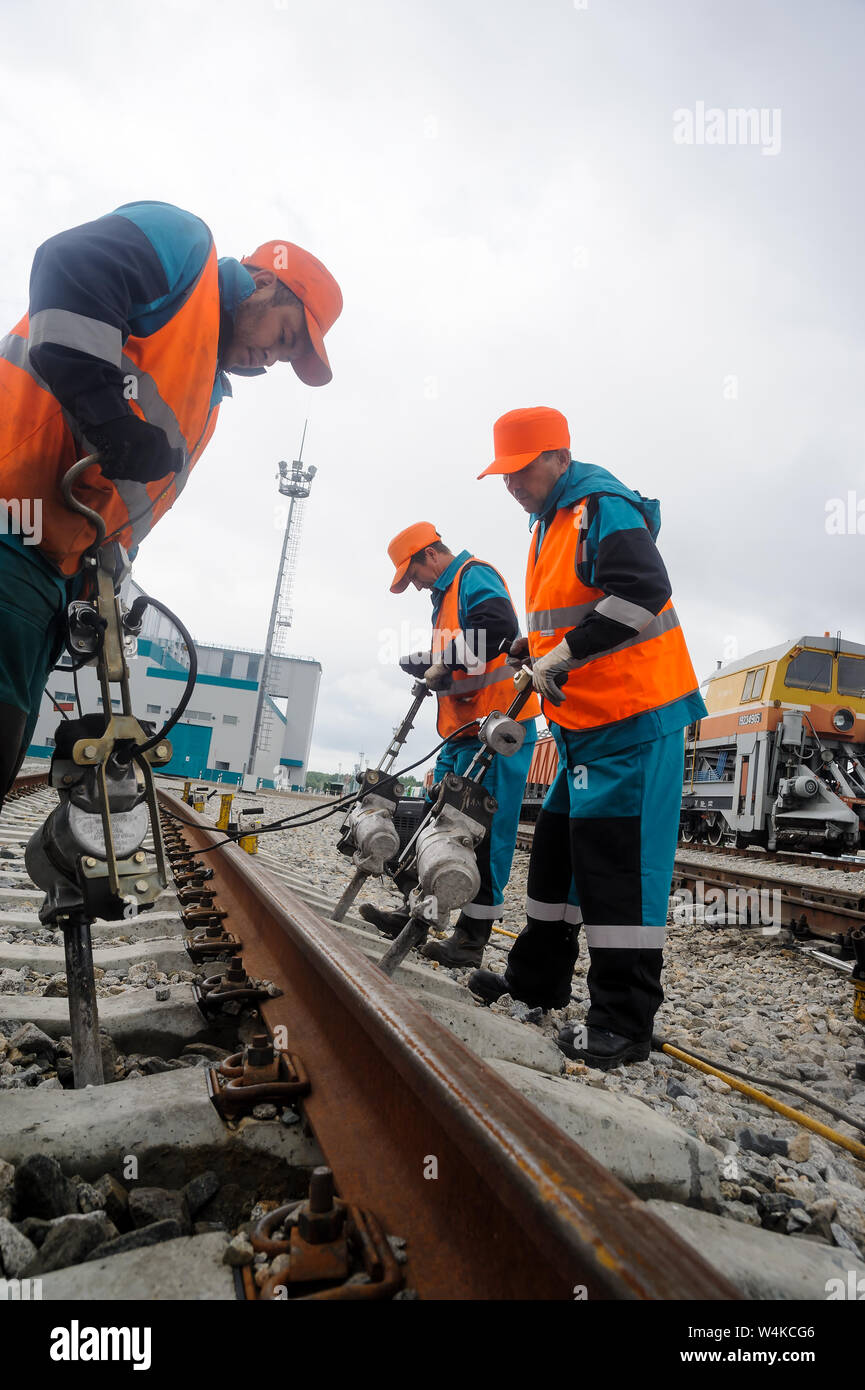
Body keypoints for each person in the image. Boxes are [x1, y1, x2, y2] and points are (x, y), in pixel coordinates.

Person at [0, 200, 342, 800]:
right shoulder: (186, 249)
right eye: (285, 335)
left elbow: (120, 509)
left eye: (288, 358)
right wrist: (109, 418)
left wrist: (94, 584)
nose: (275, 357)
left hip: (48, 576)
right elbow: (70, 266)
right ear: (263, 283)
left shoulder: (204, 396)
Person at [468, 407, 707, 1069]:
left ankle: (622, 1024)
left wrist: (560, 655)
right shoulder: (549, 520)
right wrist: (532, 646)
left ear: (555, 457)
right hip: (582, 729)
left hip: (633, 720)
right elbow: (572, 610)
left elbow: (642, 593)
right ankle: (534, 983)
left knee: (618, 873)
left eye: (519, 472)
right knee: (554, 865)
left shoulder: (601, 505)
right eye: (503, 476)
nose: (511, 485)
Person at [359, 522, 540, 967]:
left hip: (497, 729)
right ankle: (415, 917)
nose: (416, 584)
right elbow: (470, 651)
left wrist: (443, 660)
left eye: (414, 573)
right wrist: (429, 661)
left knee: (482, 835)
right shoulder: (445, 598)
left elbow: (498, 626)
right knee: (434, 825)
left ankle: (470, 941)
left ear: (430, 556)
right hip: (463, 732)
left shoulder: (472, 575)